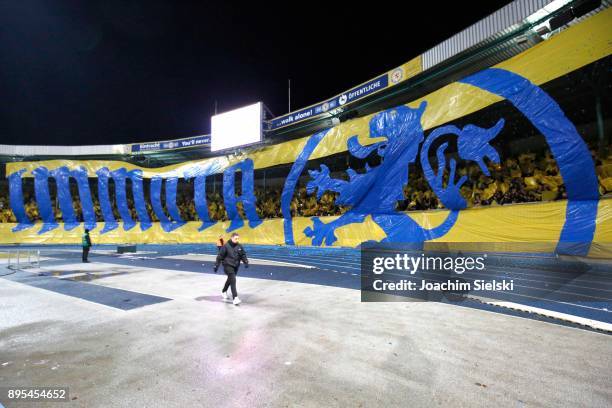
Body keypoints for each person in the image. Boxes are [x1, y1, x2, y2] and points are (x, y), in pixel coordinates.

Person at [214, 232, 249, 305]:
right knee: (233, 280)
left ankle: (224, 291)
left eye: (238, 238)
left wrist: (245, 261)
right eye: (236, 238)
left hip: (235, 266)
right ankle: (235, 298)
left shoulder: (239, 246)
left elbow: (243, 254)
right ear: (232, 238)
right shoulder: (226, 246)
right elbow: (220, 256)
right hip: (227, 265)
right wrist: (216, 266)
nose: (237, 240)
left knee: (230, 279)